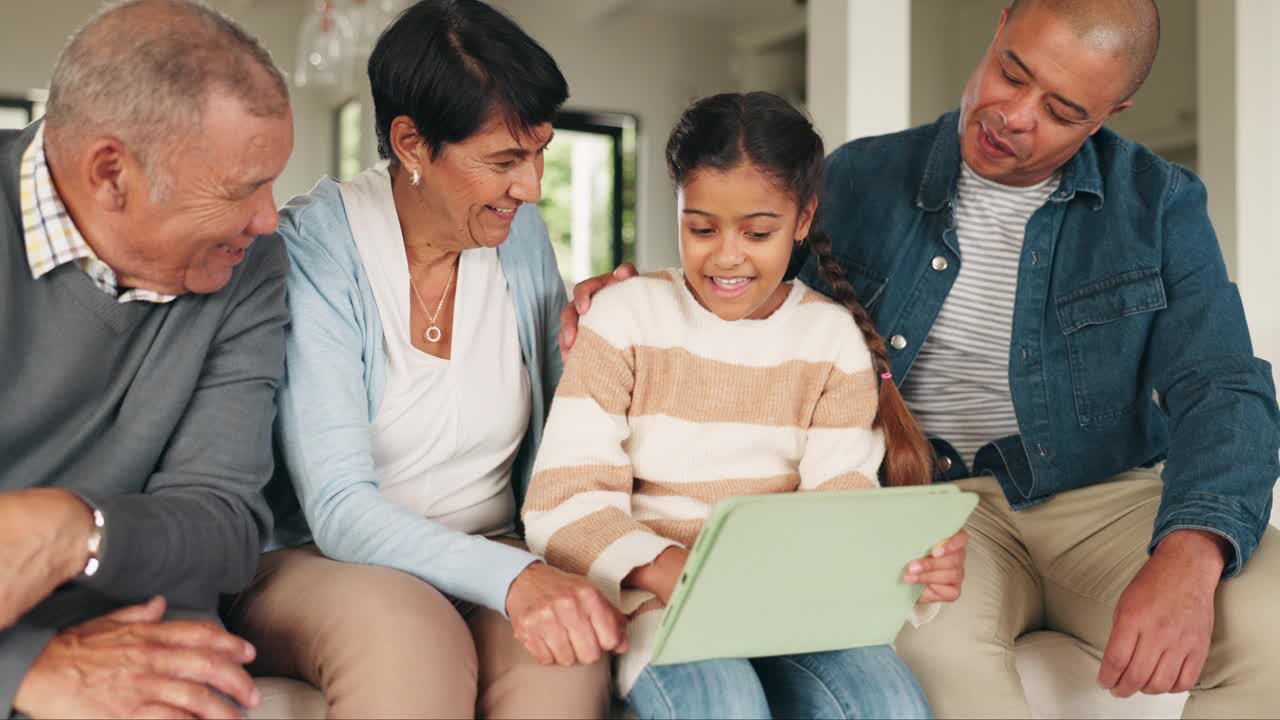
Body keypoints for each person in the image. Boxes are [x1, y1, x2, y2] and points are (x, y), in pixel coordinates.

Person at [563, 2, 1280, 717]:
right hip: (931, 509)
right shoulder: (859, 181)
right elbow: (749, 303)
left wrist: (1192, 552)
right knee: (934, 657)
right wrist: (636, 297)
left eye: (1062, 110)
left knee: (1270, 621)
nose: (1015, 115)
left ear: (1111, 111)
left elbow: (1223, 387)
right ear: (999, 27)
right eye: (1012, 72)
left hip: (1104, 501)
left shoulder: (1159, 204)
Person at [219, 1, 623, 717]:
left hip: (497, 536)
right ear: (411, 143)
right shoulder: (316, 252)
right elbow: (340, 509)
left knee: (563, 661)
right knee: (412, 642)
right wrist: (514, 579)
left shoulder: (517, 239)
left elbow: (567, 446)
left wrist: (613, 341)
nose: (530, 188)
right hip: (320, 556)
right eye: (504, 161)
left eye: (539, 155)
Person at [525, 91, 968, 720]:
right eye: (701, 227)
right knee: (725, 704)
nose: (727, 256)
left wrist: (917, 569)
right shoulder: (625, 319)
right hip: (663, 606)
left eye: (758, 232)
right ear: (677, 208)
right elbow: (560, 504)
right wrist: (671, 569)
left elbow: (840, 510)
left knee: (890, 703)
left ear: (804, 218)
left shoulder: (831, 338)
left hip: (795, 611)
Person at [0, 1, 294, 718]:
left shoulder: (249, 264)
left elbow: (223, 522)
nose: (268, 217)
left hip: (147, 632)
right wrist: (21, 672)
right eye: (240, 188)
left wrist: (76, 529)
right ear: (111, 173)